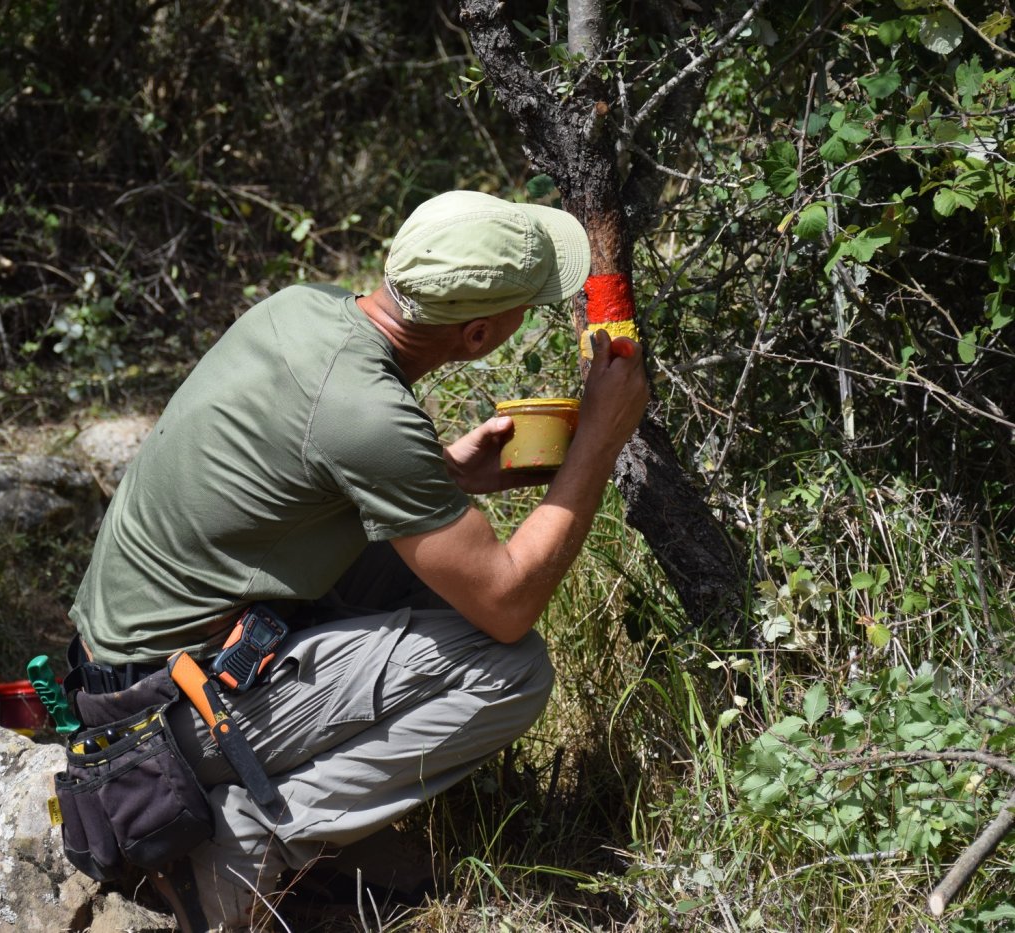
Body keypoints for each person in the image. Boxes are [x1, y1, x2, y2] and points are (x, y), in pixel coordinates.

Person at [66, 189, 649, 930]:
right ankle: (251, 842)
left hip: (113, 667)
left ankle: (286, 807)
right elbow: (508, 601)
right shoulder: (369, 414)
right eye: (523, 308)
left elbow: (302, 456)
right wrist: (598, 439)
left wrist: (445, 472)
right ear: (476, 336)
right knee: (511, 669)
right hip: (156, 720)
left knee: (443, 583)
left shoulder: (300, 309)